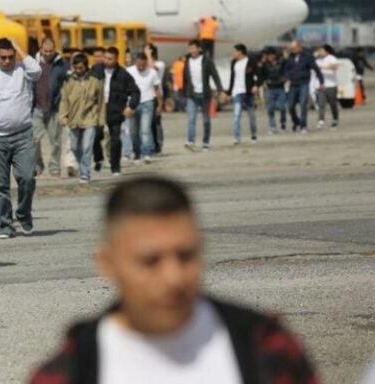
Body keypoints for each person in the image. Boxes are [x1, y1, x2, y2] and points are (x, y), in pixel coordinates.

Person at [30, 175, 319, 384]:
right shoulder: (71, 371)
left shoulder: (265, 347)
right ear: (107, 264)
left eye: (186, 256)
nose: (173, 278)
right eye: (149, 261)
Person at [0, 38, 42, 238]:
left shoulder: (23, 70)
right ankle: (6, 224)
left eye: (10, 56)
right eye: (3, 57)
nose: (7, 61)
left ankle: (24, 214)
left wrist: (20, 49)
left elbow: (37, 71)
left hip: (22, 135)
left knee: (27, 177)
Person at [59, 53, 105, 183]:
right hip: (73, 119)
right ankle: (82, 165)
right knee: (74, 147)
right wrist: (63, 116)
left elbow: (100, 101)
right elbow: (64, 100)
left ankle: (85, 173)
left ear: (86, 67)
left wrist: (100, 120)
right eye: (76, 68)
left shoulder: (95, 81)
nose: (78, 71)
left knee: (87, 147)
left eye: (81, 68)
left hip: (90, 118)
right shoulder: (69, 81)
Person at [33, 37, 69, 178]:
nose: (48, 54)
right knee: (33, 140)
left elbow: (69, 81)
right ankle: (37, 164)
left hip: (54, 108)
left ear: (55, 50)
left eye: (51, 51)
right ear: (41, 50)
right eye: (45, 51)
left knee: (55, 141)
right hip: (36, 107)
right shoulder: (33, 63)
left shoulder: (62, 64)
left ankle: (54, 166)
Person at [103, 47, 140, 176]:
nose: (107, 61)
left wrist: (131, 106)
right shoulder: (97, 70)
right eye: (105, 58)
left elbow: (135, 92)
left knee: (115, 140)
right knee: (96, 136)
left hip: (116, 111)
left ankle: (115, 166)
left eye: (110, 59)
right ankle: (98, 158)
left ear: (116, 59)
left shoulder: (123, 74)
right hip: (98, 110)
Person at [183, 39, 225, 152]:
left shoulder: (206, 60)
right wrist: (184, 91)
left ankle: (206, 142)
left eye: (193, 48)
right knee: (191, 118)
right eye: (190, 48)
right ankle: (190, 140)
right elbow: (185, 77)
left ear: (199, 49)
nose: (191, 50)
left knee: (206, 120)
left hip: (205, 94)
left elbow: (215, 75)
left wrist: (220, 89)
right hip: (192, 94)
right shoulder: (187, 61)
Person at [127, 53, 162, 163]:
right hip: (132, 104)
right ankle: (137, 154)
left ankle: (146, 153)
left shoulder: (152, 73)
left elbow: (157, 89)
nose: (141, 67)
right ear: (135, 62)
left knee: (145, 130)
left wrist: (160, 105)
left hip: (147, 103)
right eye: (139, 65)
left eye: (143, 65)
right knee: (133, 131)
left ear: (146, 63)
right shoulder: (129, 71)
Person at [285, 40, 324, 134]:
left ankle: (303, 125)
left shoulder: (307, 57)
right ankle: (296, 121)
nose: (292, 50)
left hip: (303, 83)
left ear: (299, 47)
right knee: (290, 106)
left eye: (294, 48)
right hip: (293, 84)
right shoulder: (290, 57)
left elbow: (316, 69)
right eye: (291, 48)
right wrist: (287, 78)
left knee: (303, 104)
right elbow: (286, 69)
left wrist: (321, 81)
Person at [228, 44, 260, 144]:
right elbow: (232, 78)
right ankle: (236, 138)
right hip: (237, 92)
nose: (233, 54)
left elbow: (258, 75)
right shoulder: (233, 63)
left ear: (240, 52)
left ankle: (253, 135)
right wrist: (229, 92)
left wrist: (256, 85)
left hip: (248, 92)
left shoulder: (251, 62)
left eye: (234, 51)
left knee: (251, 116)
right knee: (236, 115)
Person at [260, 47, 288, 134]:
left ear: (275, 55)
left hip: (280, 87)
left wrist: (285, 79)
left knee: (282, 107)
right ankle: (272, 126)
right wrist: (263, 83)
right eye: (268, 55)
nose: (270, 57)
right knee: (270, 108)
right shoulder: (264, 64)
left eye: (271, 55)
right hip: (270, 88)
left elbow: (287, 70)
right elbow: (261, 75)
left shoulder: (282, 62)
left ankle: (283, 122)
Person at [146, 44, 166, 154]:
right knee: (148, 123)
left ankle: (158, 144)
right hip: (147, 96)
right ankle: (151, 145)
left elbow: (153, 68)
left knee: (156, 122)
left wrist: (148, 54)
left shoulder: (160, 64)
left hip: (157, 96)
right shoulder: (145, 64)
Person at [315, 44, 340, 129]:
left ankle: (335, 119)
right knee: (321, 104)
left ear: (326, 51)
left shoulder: (331, 58)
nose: (320, 52)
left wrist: (322, 67)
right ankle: (321, 121)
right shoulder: (317, 60)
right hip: (321, 85)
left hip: (331, 85)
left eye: (321, 50)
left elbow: (335, 66)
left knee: (333, 104)